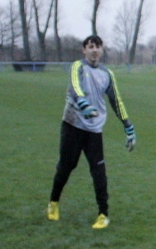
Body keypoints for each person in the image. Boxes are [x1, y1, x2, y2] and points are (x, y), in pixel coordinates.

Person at [47, 35, 136, 229]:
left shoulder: (107, 74)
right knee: (66, 166)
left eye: (98, 47)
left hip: (94, 129)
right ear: (84, 50)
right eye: (91, 47)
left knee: (99, 171)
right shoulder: (77, 67)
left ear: (101, 50)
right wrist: (83, 104)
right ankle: (53, 202)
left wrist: (128, 126)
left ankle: (103, 214)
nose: (94, 50)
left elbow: (116, 100)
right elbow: (75, 88)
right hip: (72, 125)